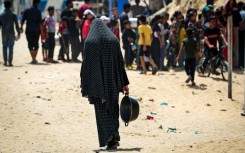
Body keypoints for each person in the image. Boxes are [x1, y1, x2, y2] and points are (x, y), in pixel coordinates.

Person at [80, 18, 129, 150]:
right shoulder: (113, 40)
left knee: (101, 111)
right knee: (113, 109)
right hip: (112, 83)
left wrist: (86, 83)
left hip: (97, 85)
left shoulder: (89, 42)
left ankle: (110, 140)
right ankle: (114, 138)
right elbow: (120, 63)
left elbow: (86, 65)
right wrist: (124, 83)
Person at [0, 0, 20, 66]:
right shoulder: (13, 14)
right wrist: (18, 33)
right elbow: (17, 25)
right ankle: (10, 62)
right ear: (10, 5)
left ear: (4, 5)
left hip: (4, 33)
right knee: (11, 47)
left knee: (4, 47)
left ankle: (5, 62)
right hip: (11, 33)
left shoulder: (1, 15)